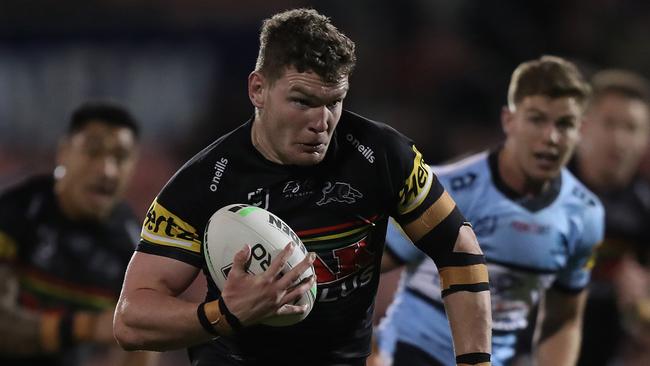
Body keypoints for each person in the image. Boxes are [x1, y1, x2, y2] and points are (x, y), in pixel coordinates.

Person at [113, 8, 492, 366]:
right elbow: (131, 320)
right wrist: (224, 314)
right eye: (302, 101)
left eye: (334, 102)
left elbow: (458, 248)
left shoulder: (382, 156)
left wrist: (476, 362)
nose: (321, 122)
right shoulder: (205, 182)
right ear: (258, 89)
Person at [373, 55, 604, 366]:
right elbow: (365, 265)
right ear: (509, 120)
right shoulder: (447, 189)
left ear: (581, 130)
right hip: (411, 351)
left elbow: (562, 320)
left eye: (564, 124)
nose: (551, 137)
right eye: (537, 119)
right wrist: (366, 346)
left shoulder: (585, 214)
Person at [0, 101, 155, 366]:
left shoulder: (135, 247)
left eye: (120, 157)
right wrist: (86, 327)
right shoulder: (14, 214)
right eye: (93, 152)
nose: (107, 170)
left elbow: (143, 341)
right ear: (63, 153)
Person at [573, 69, 650, 366]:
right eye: (609, 123)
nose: (618, 139)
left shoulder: (644, 210)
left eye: (631, 128)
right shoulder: (544, 192)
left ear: (645, 141)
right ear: (583, 126)